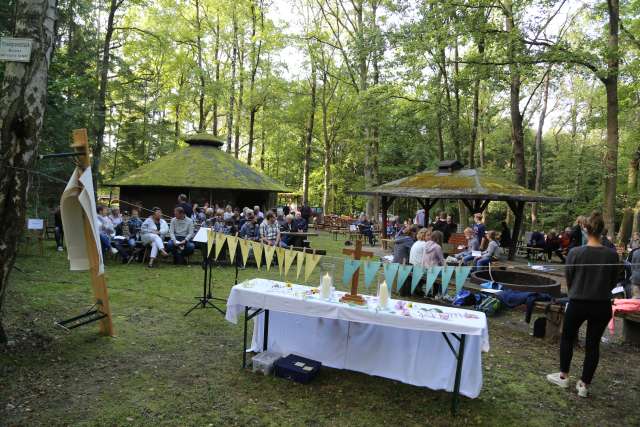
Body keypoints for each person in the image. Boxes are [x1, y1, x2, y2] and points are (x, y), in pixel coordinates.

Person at [547, 211, 621, 398]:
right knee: (593, 345)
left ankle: (564, 376)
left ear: (585, 230)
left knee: (567, 338)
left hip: (578, 302)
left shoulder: (575, 252)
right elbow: (613, 282)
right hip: (601, 304)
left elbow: (569, 279)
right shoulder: (611, 255)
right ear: (602, 231)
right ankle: (584, 385)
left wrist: (576, 291)